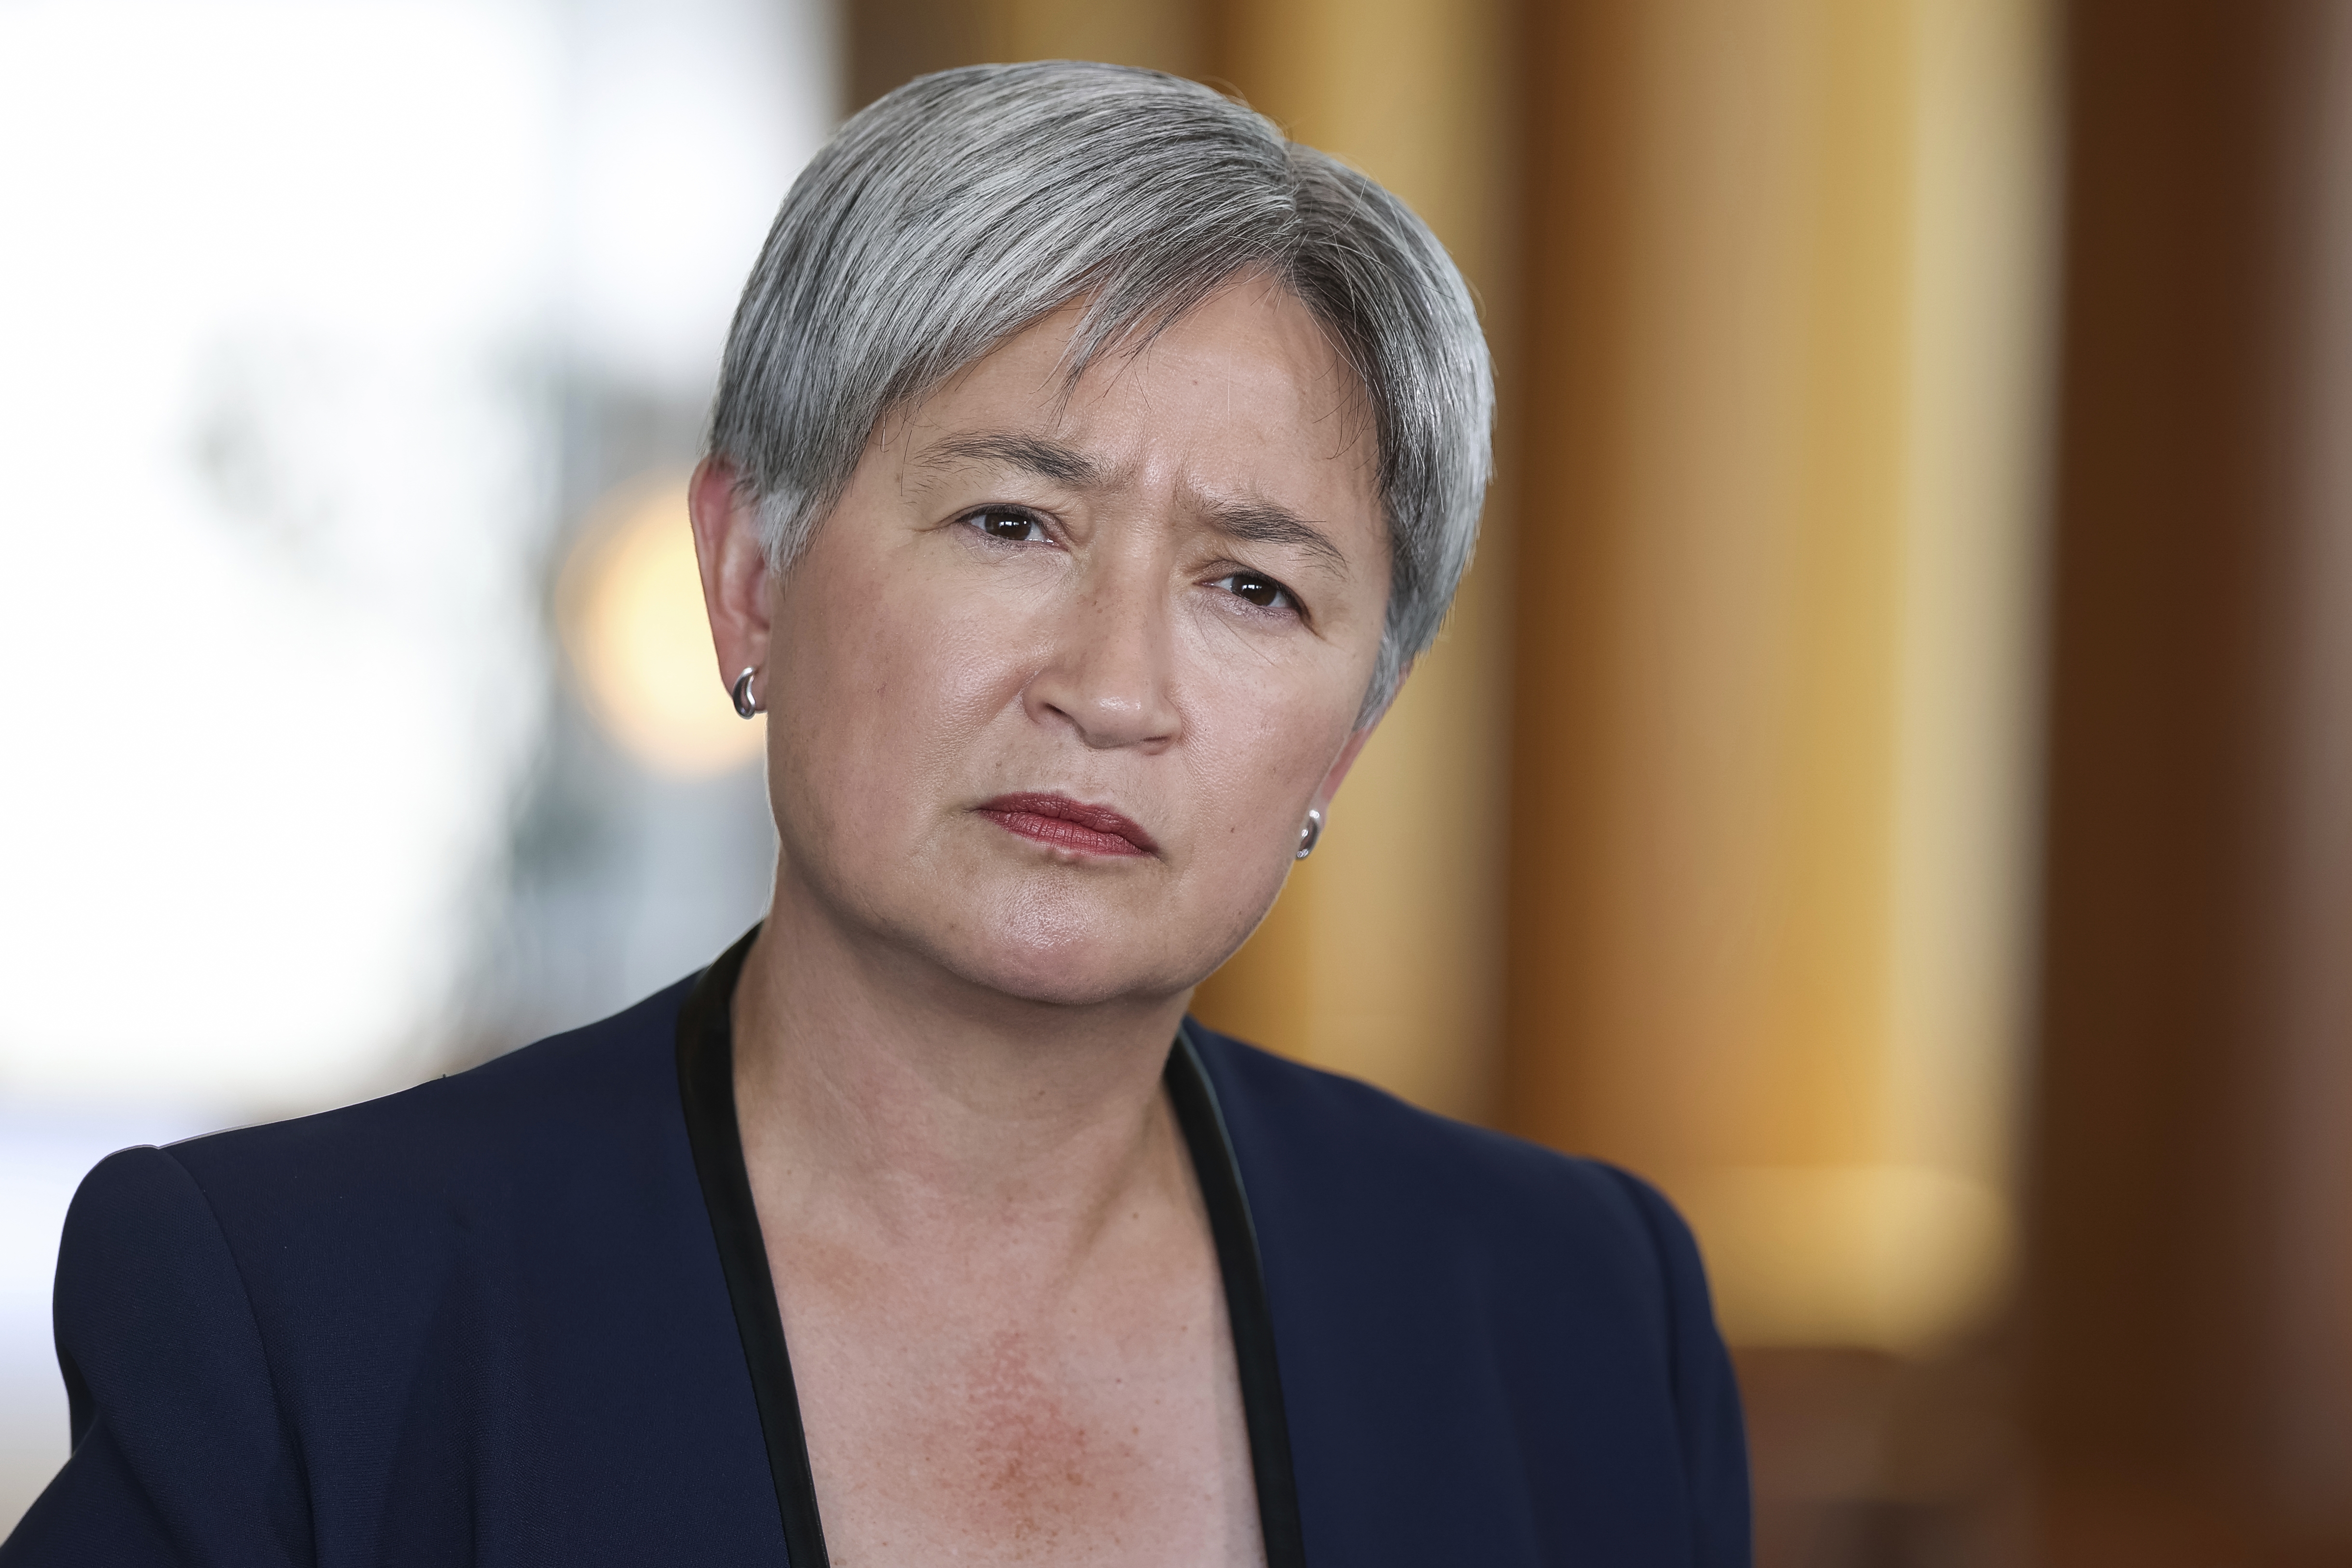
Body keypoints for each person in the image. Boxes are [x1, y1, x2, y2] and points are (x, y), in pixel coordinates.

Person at [0, 62, 1747, 1568]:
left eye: (1254, 590)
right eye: (1012, 524)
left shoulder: (1574, 1311)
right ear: (748, 575)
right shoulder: (310, 1310)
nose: (1114, 687)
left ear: (1351, 739)